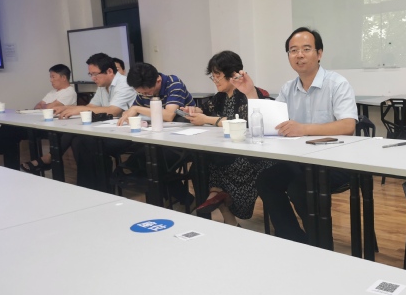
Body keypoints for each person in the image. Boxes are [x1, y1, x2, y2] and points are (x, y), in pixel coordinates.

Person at [234, 27, 358, 243]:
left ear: (319, 54)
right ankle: (293, 239)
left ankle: (321, 244)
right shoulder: (288, 88)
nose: (299, 55)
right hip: (301, 161)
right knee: (266, 180)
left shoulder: (337, 84)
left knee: (300, 186)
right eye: (293, 50)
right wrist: (250, 92)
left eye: (306, 49)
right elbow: (272, 121)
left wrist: (303, 128)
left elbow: (348, 125)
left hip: (336, 162)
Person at [183, 50, 273, 226]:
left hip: (251, 153)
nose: (215, 80)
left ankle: (218, 197)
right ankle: (222, 206)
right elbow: (206, 110)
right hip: (227, 150)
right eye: (213, 76)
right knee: (199, 165)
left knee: (231, 164)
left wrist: (206, 120)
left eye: (218, 76)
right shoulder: (220, 97)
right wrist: (193, 111)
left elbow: (242, 123)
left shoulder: (247, 93)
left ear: (231, 74)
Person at [21, 53, 136, 177]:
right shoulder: (103, 86)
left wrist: (78, 109)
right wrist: (67, 108)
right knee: (78, 140)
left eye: (95, 74)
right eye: (90, 74)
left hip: (127, 133)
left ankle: (52, 159)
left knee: (83, 141)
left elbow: (113, 111)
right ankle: (88, 183)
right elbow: (91, 106)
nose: (93, 78)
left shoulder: (125, 84)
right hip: (108, 128)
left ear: (109, 71)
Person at [115, 63, 196, 204]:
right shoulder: (144, 89)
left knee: (151, 162)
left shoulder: (174, 84)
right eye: (141, 93)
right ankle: (175, 198)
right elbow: (133, 110)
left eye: (147, 92)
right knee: (144, 160)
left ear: (158, 80)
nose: (145, 95)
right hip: (159, 139)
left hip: (184, 140)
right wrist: (128, 114)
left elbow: (169, 115)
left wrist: (137, 109)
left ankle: (182, 199)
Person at [0, 64, 77, 171]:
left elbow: (49, 108)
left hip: (53, 127)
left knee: (10, 132)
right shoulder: (52, 92)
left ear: (63, 78)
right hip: (40, 123)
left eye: (53, 77)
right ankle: (8, 166)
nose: (51, 80)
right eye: (50, 77)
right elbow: (37, 106)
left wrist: (46, 106)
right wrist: (46, 106)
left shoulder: (69, 92)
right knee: (9, 128)